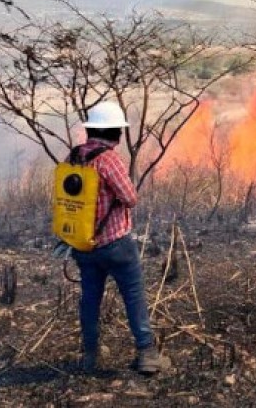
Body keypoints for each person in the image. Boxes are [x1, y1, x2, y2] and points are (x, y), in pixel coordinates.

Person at [70, 101, 169, 374]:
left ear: (91, 130)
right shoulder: (109, 159)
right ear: (116, 132)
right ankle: (147, 353)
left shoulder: (75, 156)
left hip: (83, 243)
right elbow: (130, 198)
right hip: (115, 244)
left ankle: (90, 355)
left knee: (90, 298)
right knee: (134, 295)